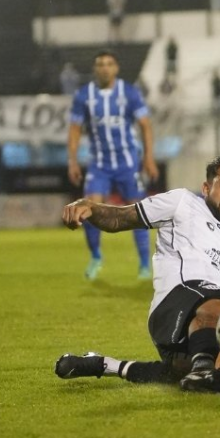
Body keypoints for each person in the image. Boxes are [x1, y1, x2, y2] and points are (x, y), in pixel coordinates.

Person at [54, 155, 220, 394]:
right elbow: (120, 218)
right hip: (174, 307)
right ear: (206, 188)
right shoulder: (183, 203)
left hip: (204, 326)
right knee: (217, 307)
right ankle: (204, 369)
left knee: (213, 365)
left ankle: (106, 365)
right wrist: (89, 206)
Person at [67, 50, 159, 281]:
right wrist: (73, 161)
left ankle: (144, 265)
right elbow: (75, 129)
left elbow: (145, 125)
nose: (104, 68)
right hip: (99, 164)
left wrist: (148, 158)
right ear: (95, 69)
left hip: (128, 164)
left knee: (137, 212)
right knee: (88, 208)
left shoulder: (129, 93)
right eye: (100, 64)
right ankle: (96, 257)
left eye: (109, 64)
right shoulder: (83, 95)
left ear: (116, 68)